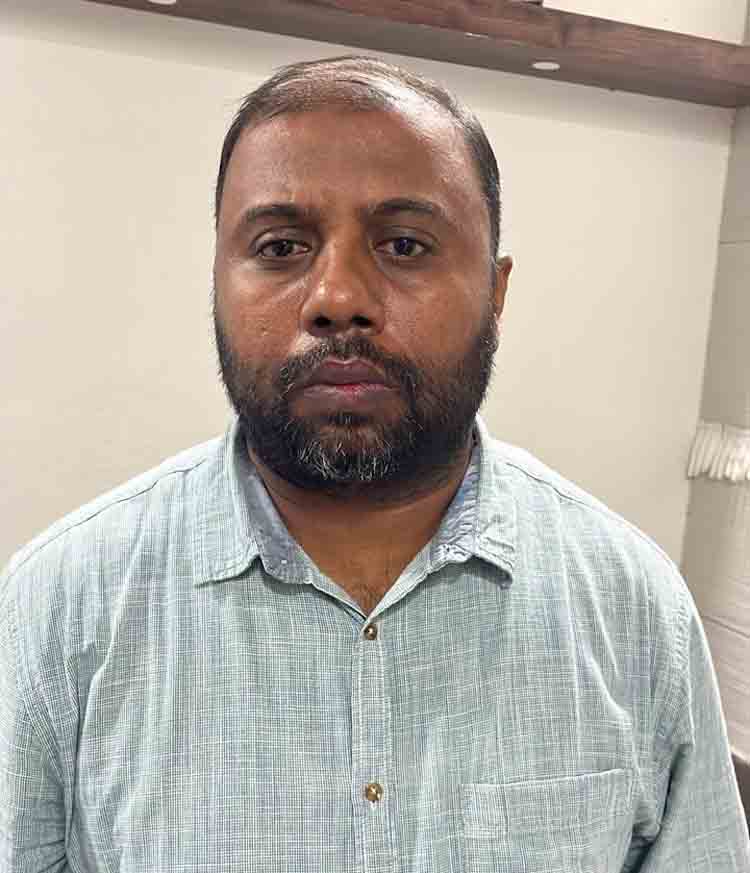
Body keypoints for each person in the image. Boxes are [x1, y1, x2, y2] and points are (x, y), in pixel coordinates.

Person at [1, 54, 748, 873]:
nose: (338, 297)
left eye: (403, 244)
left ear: (496, 291)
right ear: (217, 282)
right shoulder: (58, 611)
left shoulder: (636, 614)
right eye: (281, 246)